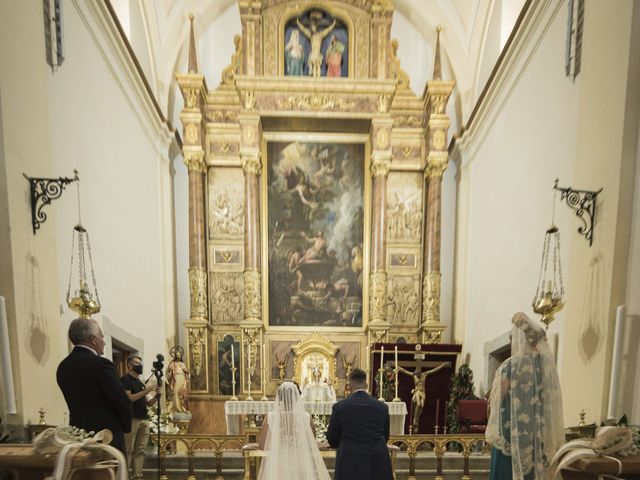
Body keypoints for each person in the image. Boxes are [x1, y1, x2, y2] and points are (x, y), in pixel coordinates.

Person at [486, 312, 564, 480]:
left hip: (510, 434)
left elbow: (496, 400)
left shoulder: (510, 366)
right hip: (537, 435)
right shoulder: (548, 369)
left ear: (519, 338)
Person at [56, 318, 132, 453]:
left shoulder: (63, 367)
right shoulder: (101, 364)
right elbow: (121, 401)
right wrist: (125, 427)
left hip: (76, 436)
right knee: (110, 473)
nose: (104, 341)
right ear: (93, 339)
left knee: (82, 473)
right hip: (105, 437)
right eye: (102, 336)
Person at [326, 368, 393, 480]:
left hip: (349, 458)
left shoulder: (340, 407)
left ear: (350, 386)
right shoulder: (382, 407)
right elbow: (385, 436)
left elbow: (332, 438)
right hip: (377, 457)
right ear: (366, 385)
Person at [257, 381, 330, 480]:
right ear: (296, 397)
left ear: (280, 398)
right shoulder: (306, 417)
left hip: (278, 462)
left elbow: (262, 446)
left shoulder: (270, 417)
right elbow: (310, 444)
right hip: (299, 463)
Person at [121, 355, 161, 479]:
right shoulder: (125, 379)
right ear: (130, 365)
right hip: (132, 418)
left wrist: (157, 396)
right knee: (128, 450)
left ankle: (137, 475)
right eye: (137, 363)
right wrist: (147, 391)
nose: (140, 366)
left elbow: (148, 403)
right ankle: (125, 475)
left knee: (140, 450)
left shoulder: (140, 382)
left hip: (144, 418)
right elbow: (129, 398)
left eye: (141, 363)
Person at [397, 362, 447, 434]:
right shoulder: (413, 375)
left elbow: (434, 370)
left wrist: (442, 365)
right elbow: (404, 371)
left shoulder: (424, 374)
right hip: (417, 392)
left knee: (422, 405)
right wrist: (397, 366)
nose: (417, 375)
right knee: (418, 404)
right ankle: (415, 418)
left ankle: (417, 417)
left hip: (423, 392)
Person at [166, 346, 190, 414]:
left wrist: (186, 371)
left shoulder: (182, 363)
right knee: (175, 391)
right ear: (175, 356)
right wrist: (170, 369)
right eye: (177, 355)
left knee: (181, 392)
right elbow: (168, 370)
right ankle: (176, 408)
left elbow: (186, 371)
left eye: (179, 355)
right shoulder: (172, 363)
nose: (178, 356)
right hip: (175, 378)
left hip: (181, 378)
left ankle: (181, 407)